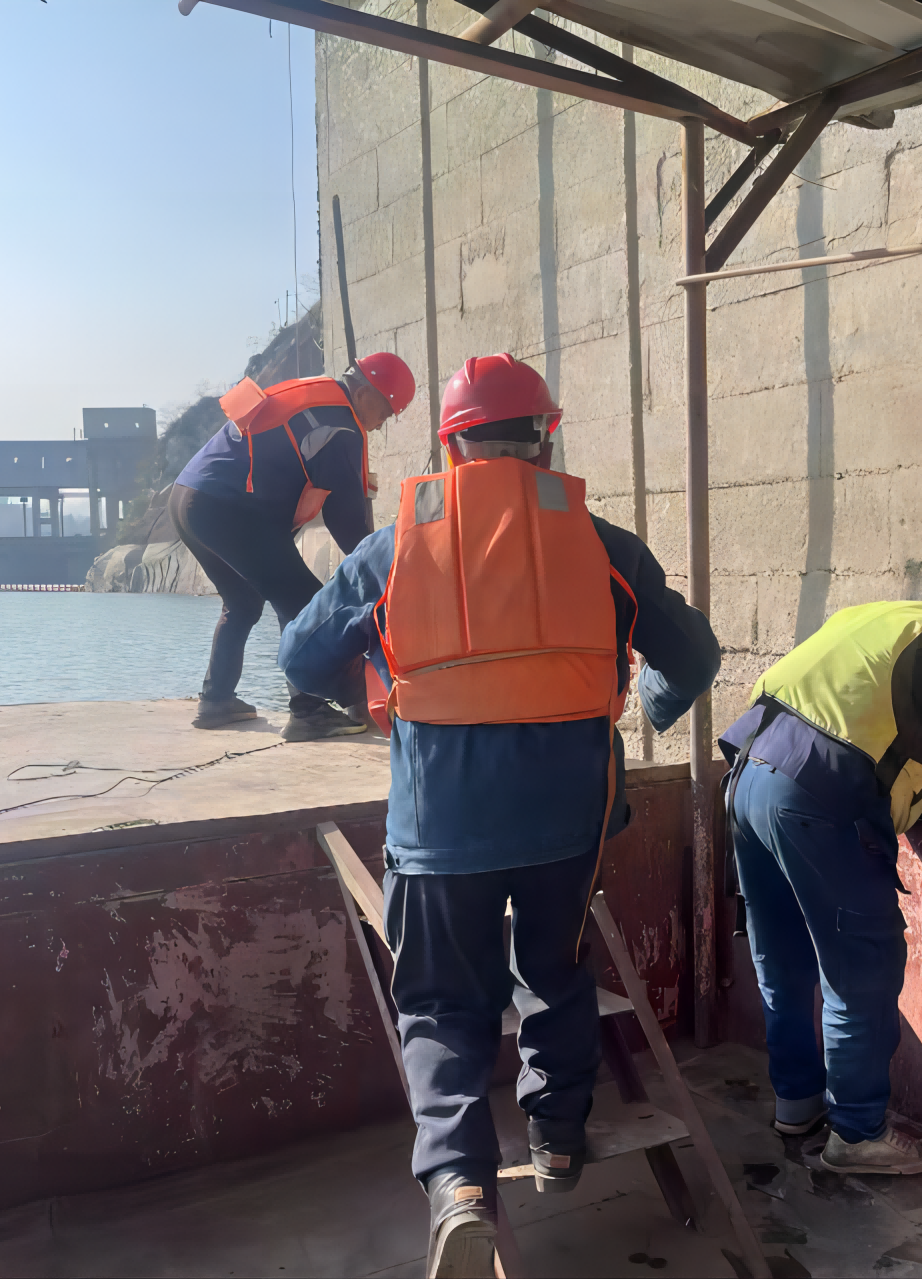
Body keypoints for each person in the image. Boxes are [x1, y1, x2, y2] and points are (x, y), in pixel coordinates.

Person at [278, 354, 719, 1279]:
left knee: (442, 1001)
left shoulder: (393, 546)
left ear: (450, 447)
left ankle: (459, 1186)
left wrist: (382, 687)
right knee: (555, 970)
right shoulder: (604, 544)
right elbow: (695, 655)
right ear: (545, 439)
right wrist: (649, 707)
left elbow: (299, 656)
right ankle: (558, 1138)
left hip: (440, 828)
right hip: (568, 823)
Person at [719, 590, 922, 1175]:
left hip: (748, 777)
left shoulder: (894, 622)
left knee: (782, 957)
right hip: (818, 796)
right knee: (862, 969)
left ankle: (796, 1103)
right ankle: (857, 1132)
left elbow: (879, 731)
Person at [172, 352, 415, 741]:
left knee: (243, 601)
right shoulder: (341, 427)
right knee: (303, 601)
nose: (381, 424)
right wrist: (384, 574)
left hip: (188, 498)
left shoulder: (314, 396)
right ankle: (309, 711)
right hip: (228, 508)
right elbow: (346, 519)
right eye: (384, 413)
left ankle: (216, 700)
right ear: (365, 394)